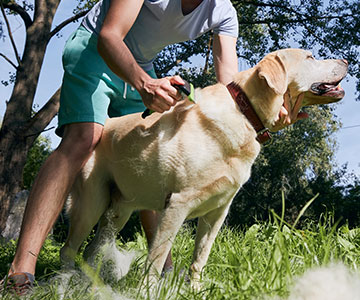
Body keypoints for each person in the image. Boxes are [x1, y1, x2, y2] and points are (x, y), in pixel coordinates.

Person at [2, 0, 306, 295]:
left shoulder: (224, 12)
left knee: (151, 150)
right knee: (84, 138)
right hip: (94, 47)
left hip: (139, 63)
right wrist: (146, 84)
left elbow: (232, 88)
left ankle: (163, 273)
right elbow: (110, 35)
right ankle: (21, 270)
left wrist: (264, 116)